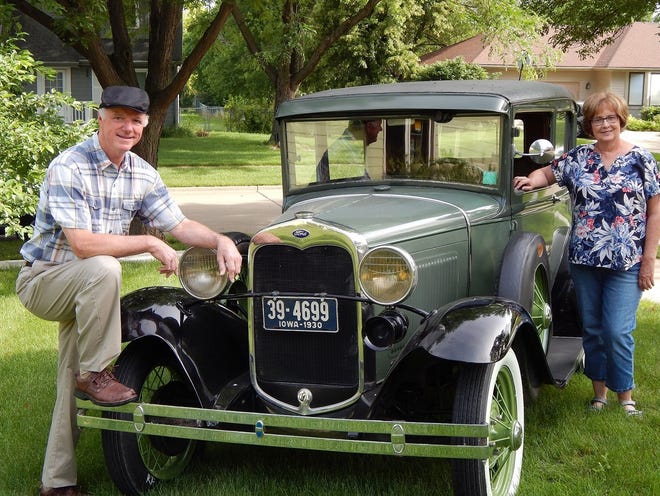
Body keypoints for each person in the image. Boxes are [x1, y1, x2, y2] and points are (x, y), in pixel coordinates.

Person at [16, 86, 243, 496]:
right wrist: (148, 243)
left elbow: (178, 225)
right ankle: (97, 373)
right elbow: (84, 245)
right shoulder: (69, 166)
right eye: (118, 117)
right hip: (45, 280)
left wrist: (220, 240)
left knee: (70, 377)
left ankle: (57, 483)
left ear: (145, 125)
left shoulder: (141, 172)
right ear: (99, 119)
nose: (128, 126)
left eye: (136, 120)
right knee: (103, 267)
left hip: (87, 290)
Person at [514, 92, 660, 417]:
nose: (605, 124)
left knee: (617, 330)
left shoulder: (641, 160)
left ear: (621, 119)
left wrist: (649, 259)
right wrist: (531, 179)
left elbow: (655, 211)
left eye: (610, 117)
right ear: (589, 125)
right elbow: (549, 173)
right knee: (592, 328)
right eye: (597, 119)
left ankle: (626, 398)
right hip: (584, 260)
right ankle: (600, 394)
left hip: (627, 261)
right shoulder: (580, 157)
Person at [316, 119, 383, 182]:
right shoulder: (346, 152)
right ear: (369, 126)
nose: (381, 129)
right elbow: (361, 187)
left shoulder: (350, 146)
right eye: (379, 125)